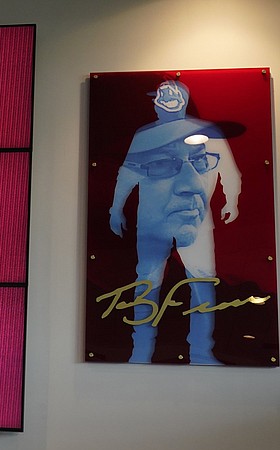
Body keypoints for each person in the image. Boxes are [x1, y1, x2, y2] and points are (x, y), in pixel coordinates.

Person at [109, 80, 241, 364]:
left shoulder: (201, 134)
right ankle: (145, 353)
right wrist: (115, 208)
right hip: (159, 222)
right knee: (154, 281)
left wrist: (232, 199)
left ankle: (198, 352)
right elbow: (127, 176)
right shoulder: (147, 136)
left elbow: (228, 171)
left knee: (193, 281)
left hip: (189, 219)